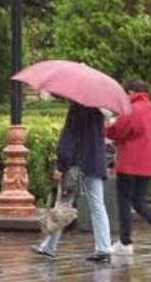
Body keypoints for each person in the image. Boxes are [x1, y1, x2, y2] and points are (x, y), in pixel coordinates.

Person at [33, 103, 112, 263]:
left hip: (75, 164)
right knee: (98, 206)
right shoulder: (100, 110)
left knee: (63, 205)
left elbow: (69, 138)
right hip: (95, 163)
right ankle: (104, 247)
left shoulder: (77, 107)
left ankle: (49, 247)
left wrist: (61, 166)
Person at [106, 79, 151, 256]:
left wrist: (106, 128)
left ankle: (125, 243)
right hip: (148, 165)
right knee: (139, 202)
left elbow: (119, 131)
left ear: (130, 92)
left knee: (124, 203)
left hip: (129, 164)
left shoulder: (131, 109)